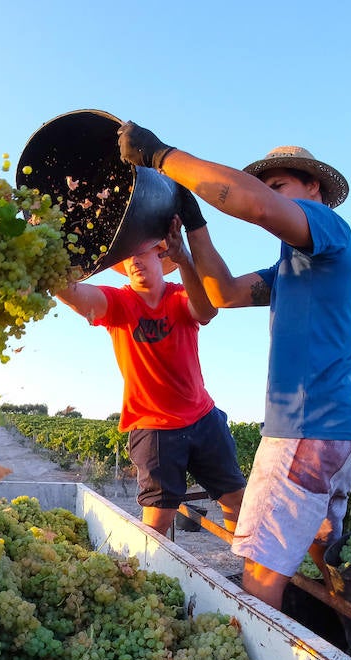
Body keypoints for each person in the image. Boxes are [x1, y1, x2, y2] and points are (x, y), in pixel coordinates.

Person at [118, 122, 351, 610]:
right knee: (324, 551)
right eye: (267, 185)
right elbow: (224, 294)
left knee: (258, 574)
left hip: (305, 430)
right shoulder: (295, 268)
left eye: (280, 185)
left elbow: (255, 206)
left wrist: (162, 156)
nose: (269, 194)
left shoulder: (328, 227)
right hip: (337, 431)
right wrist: (194, 227)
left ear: (313, 189)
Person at [53, 220, 245, 538]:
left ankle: (246, 565)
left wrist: (185, 260)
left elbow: (207, 311)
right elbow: (77, 296)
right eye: (128, 256)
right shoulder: (117, 303)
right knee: (157, 520)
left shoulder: (180, 295)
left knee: (236, 501)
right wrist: (49, 263)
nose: (135, 261)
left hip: (203, 418)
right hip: (153, 428)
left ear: (160, 255)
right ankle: (147, 567)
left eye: (142, 252)